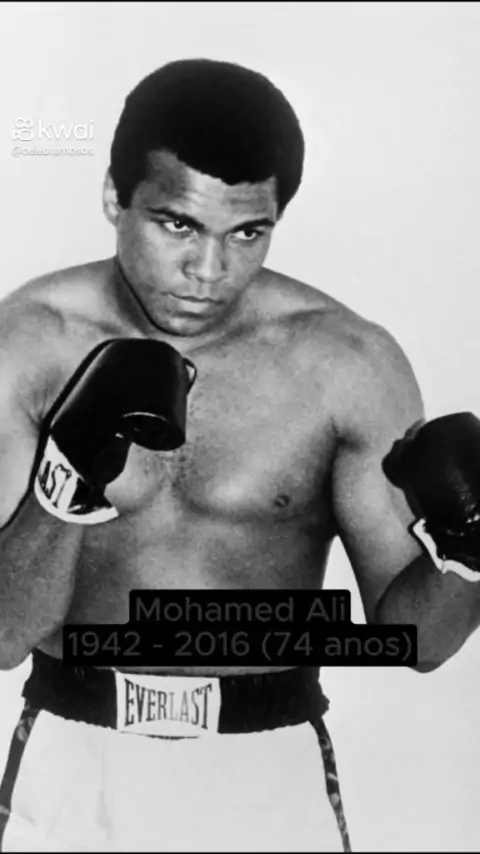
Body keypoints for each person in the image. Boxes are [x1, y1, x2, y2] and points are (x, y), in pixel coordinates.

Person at [0, 57, 480, 853]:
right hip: (74, 762)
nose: (209, 271)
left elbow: (420, 645)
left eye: (247, 233)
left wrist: (468, 555)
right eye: (178, 225)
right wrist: (65, 485)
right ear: (115, 197)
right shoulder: (26, 347)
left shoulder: (346, 366)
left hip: (268, 772)